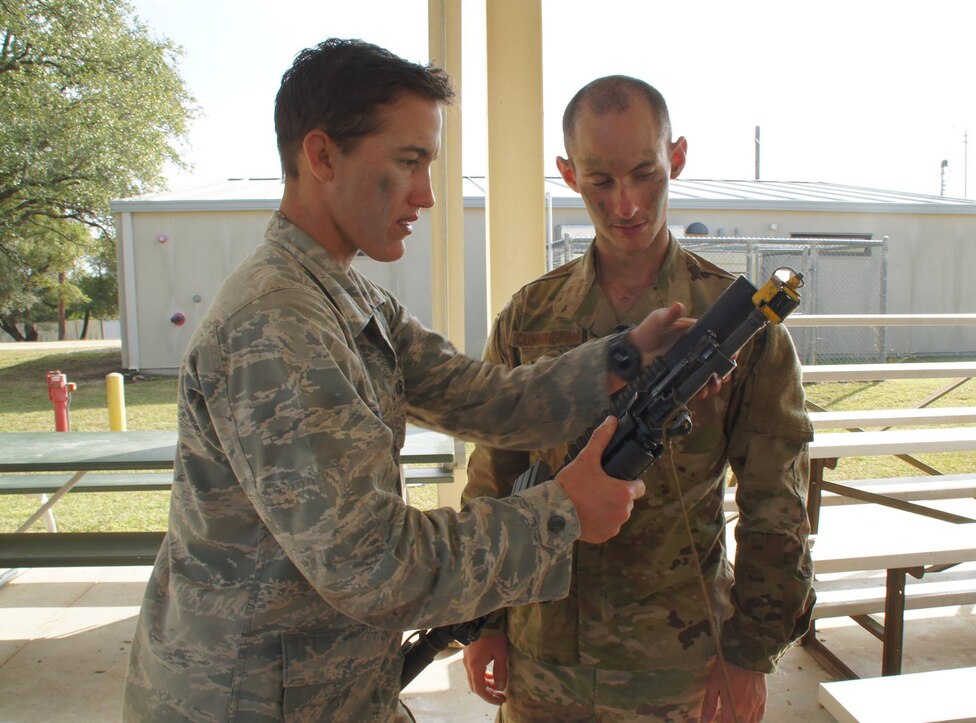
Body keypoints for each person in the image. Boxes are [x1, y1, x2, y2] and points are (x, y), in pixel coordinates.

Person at [122, 42, 695, 722]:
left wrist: (627, 357)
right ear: (322, 155)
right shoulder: (276, 323)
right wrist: (562, 511)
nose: (426, 194)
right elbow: (374, 566)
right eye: (408, 162)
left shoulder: (347, 298)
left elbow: (488, 399)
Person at [460, 76, 816, 723]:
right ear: (568, 174)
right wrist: (484, 619)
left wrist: (750, 649)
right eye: (600, 180)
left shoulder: (738, 326)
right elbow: (495, 474)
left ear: (676, 158)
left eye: (644, 173)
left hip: (679, 663)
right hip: (542, 660)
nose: (625, 203)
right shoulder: (529, 319)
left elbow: (776, 499)